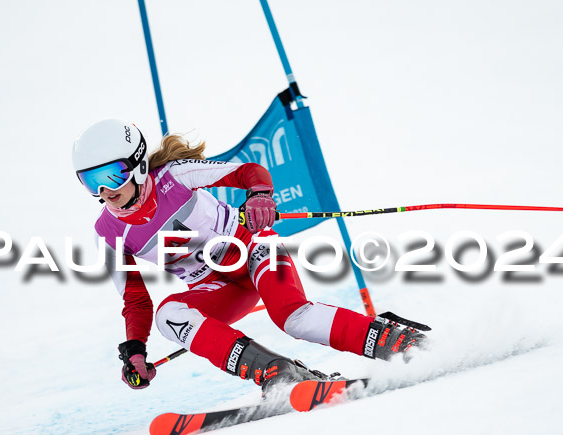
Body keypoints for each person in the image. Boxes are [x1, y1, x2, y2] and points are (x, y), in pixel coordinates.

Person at [72, 119, 428, 393]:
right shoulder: (108, 233)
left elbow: (247, 171)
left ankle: (397, 342)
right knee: (170, 317)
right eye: (91, 182)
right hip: (216, 287)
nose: (105, 191)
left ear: (135, 164)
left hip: (254, 249)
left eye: (111, 175)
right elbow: (135, 298)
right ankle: (278, 373)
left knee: (294, 318)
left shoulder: (175, 176)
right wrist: (135, 349)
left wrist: (259, 194)